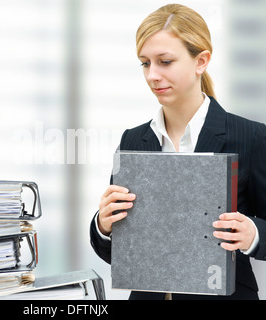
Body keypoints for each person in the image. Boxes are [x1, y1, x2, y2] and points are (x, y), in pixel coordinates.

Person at [90, 3, 266, 300]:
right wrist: (103, 225)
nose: (152, 75)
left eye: (165, 61)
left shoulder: (251, 137)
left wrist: (253, 234)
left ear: (201, 61)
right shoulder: (134, 139)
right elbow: (120, 254)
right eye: (145, 63)